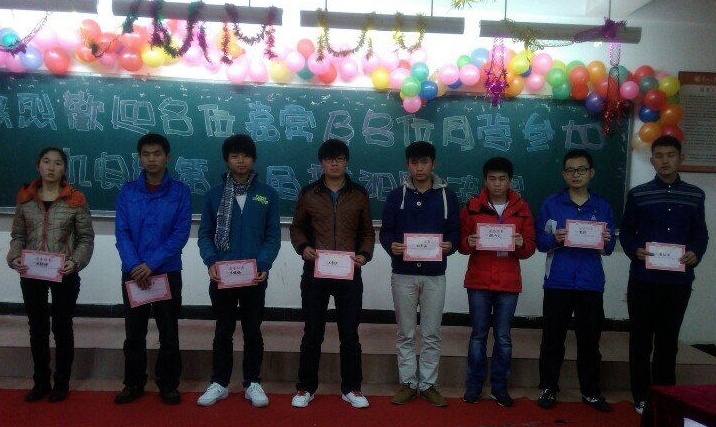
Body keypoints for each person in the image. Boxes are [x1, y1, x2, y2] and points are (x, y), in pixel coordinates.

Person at [620, 135, 709, 415]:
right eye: (659, 155)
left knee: (668, 342)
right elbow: (627, 231)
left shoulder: (695, 195)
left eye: (671, 155)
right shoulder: (638, 194)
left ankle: (666, 397)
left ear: (680, 158)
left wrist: (695, 252)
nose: (665, 160)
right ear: (652, 161)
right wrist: (634, 249)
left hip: (678, 281)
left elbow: (700, 233)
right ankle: (641, 396)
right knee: (640, 341)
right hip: (643, 280)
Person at [196, 134, 281, 407]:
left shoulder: (267, 195)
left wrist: (264, 264)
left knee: (253, 330)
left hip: (254, 276)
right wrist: (211, 261)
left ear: (253, 159)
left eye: (245, 155)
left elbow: (273, 236)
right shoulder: (213, 195)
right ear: (227, 160)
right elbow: (205, 234)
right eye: (235, 156)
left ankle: (252, 382)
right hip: (222, 275)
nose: (240, 161)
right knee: (223, 330)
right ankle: (219, 383)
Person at [289, 138, 375, 409]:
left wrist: (364, 254)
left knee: (350, 334)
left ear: (346, 161)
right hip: (315, 272)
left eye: (339, 159)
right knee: (312, 333)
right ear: (321, 163)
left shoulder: (359, 194)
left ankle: (352, 388)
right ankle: (305, 388)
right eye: (329, 159)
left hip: (349, 274)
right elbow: (296, 228)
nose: (334, 163)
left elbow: (367, 232)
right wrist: (303, 247)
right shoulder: (309, 193)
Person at [7, 147, 95, 403]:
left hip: (64, 272)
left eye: (57, 163)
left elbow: (86, 239)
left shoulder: (75, 199)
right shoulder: (25, 198)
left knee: (62, 327)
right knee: (37, 328)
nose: (51, 167)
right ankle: (41, 382)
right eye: (46, 162)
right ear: (38, 165)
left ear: (64, 169)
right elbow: (18, 235)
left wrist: (75, 262)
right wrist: (14, 257)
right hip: (31, 272)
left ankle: (62, 382)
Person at [379, 141, 460, 407]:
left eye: (424, 162)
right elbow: (386, 232)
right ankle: (408, 383)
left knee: (431, 333)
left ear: (433, 164)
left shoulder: (448, 197)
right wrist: (391, 246)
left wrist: (450, 245)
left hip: (435, 275)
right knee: (405, 332)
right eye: (414, 163)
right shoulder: (396, 196)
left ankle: (428, 384)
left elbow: (455, 232)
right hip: (403, 274)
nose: (419, 168)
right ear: (407, 165)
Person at [534, 148, 616, 412]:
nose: (576, 174)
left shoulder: (602, 205)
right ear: (564, 174)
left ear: (591, 172)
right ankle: (548, 387)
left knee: (589, 341)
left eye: (581, 169)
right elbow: (540, 242)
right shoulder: (551, 204)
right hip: (558, 281)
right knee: (552, 339)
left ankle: (591, 392)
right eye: (571, 170)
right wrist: (554, 238)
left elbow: (609, 247)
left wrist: (606, 240)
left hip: (590, 282)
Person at [113, 133, 192, 405]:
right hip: (134, 273)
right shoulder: (127, 191)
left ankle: (168, 385)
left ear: (167, 156)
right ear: (139, 158)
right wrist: (135, 265)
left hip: (167, 272)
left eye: (157, 153)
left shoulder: (180, 192)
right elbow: (122, 232)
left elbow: (180, 234)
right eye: (146, 154)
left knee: (168, 333)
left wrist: (151, 264)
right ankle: (133, 384)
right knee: (134, 333)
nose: (151, 159)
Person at [459, 157, 536, 407]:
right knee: (478, 336)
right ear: (485, 180)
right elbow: (461, 244)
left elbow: (530, 247)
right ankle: (474, 385)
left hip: (508, 283)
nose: (497, 183)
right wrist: (468, 243)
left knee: (503, 337)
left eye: (502, 178)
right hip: (478, 281)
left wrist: (522, 244)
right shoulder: (472, 207)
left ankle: (499, 387)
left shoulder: (522, 208)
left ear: (510, 180)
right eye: (492, 178)